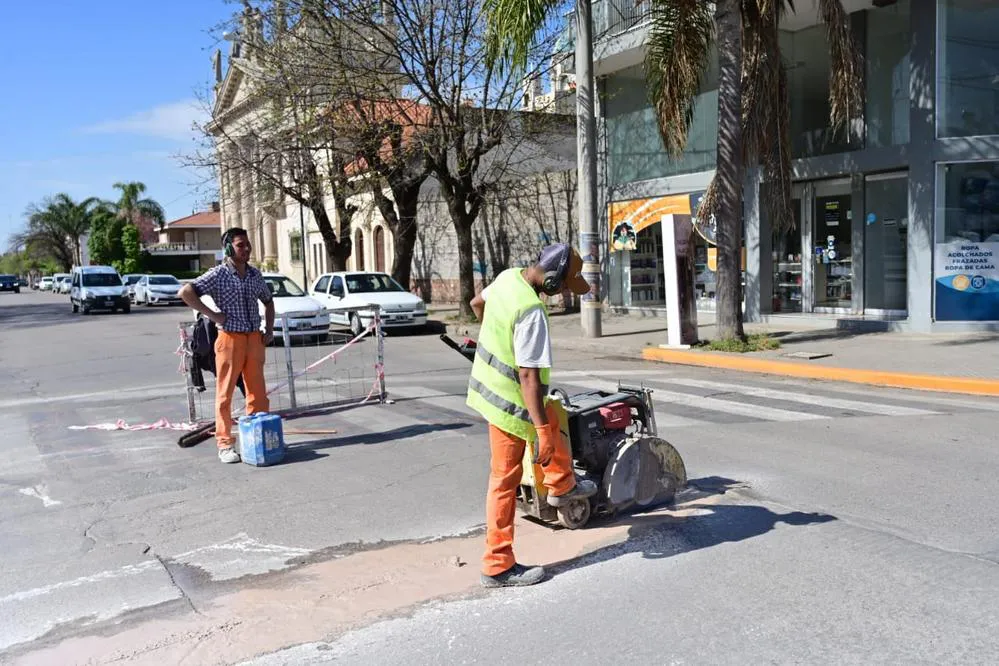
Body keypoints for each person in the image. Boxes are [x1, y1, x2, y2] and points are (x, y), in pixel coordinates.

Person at [466, 243, 597, 588]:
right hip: (507, 403)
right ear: (552, 281)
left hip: (490, 390)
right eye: (566, 286)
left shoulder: (509, 278)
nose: (564, 293)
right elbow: (528, 377)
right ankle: (497, 566)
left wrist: (494, 338)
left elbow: (476, 304)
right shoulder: (531, 311)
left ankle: (562, 486)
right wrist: (540, 431)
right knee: (505, 480)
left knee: (554, 412)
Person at [179, 227, 275, 464]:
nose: (246, 249)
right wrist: (213, 315)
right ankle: (224, 444)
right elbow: (186, 292)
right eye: (241, 245)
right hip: (230, 338)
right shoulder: (218, 274)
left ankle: (257, 436)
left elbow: (268, 301)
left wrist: (269, 329)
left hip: (253, 337)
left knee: (257, 392)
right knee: (225, 394)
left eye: (247, 244)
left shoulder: (255, 275)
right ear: (229, 248)